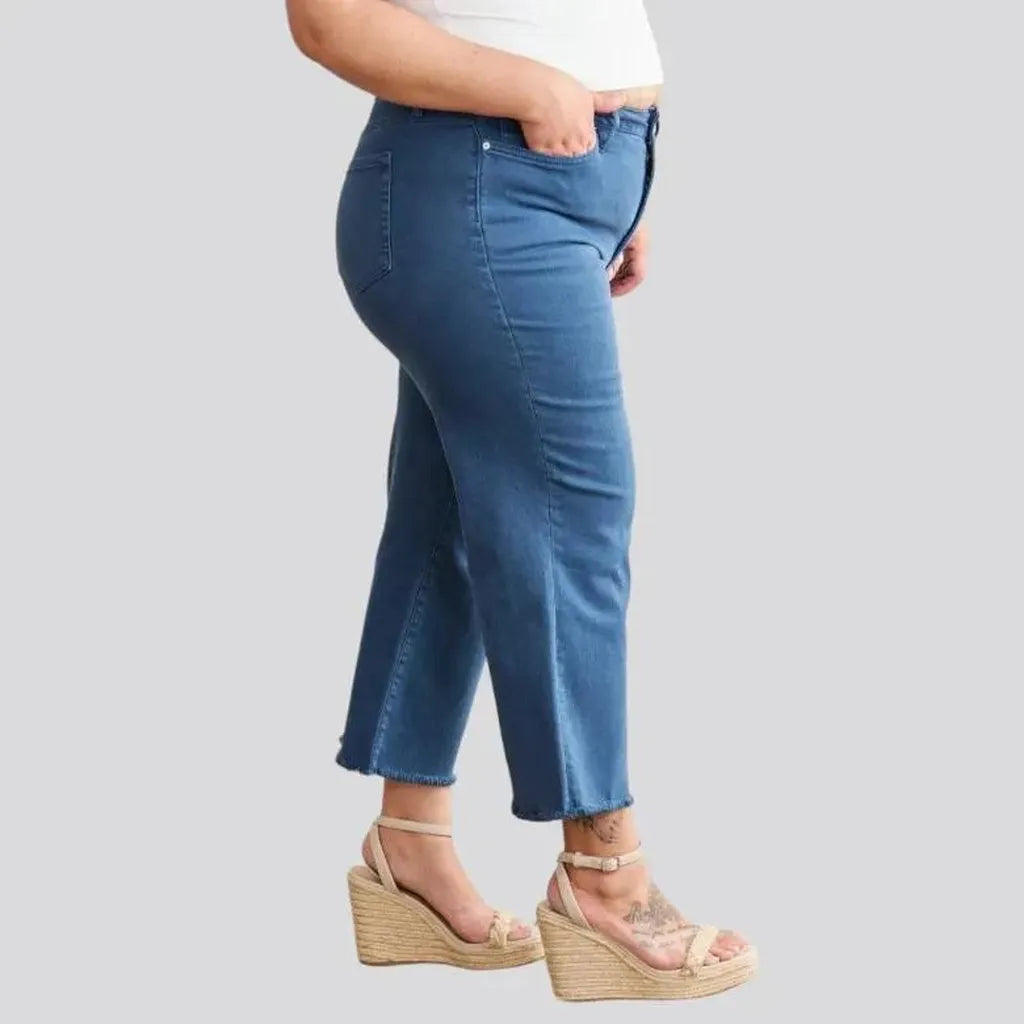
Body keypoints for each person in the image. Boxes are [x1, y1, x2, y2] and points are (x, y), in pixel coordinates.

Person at [285, 0, 756, 1000]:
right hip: (478, 185)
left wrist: (618, 187)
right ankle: (605, 876)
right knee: (570, 520)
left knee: (451, 520)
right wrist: (533, 91)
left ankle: (409, 847)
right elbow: (328, 18)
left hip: (536, 189)